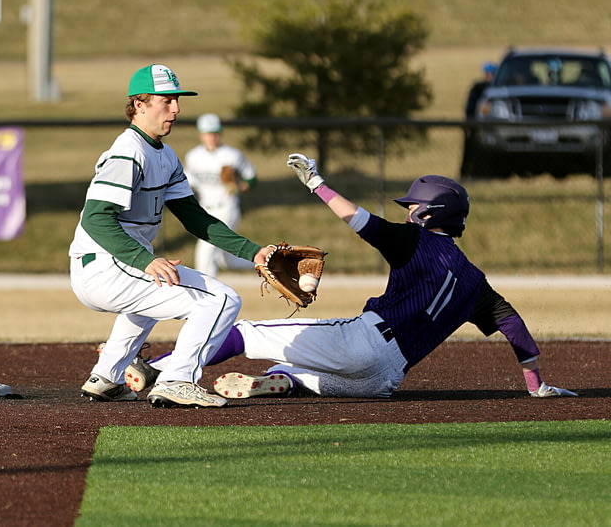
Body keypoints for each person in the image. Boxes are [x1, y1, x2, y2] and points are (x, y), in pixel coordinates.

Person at [134, 154, 578, 400]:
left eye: (411, 206)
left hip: (365, 341)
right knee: (293, 368)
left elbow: (358, 219)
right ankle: (281, 381)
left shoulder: (414, 240)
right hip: (385, 380)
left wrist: (317, 184)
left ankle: (154, 371)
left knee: (240, 333)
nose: (407, 211)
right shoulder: (477, 282)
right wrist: (535, 385)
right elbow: (513, 325)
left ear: (428, 213)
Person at [68, 64, 278, 408]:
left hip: (113, 266)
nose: (176, 109)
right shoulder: (128, 151)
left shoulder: (165, 155)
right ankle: (178, 379)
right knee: (222, 300)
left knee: (154, 297)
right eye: (166, 101)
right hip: (105, 265)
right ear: (140, 105)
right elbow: (95, 220)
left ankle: (106, 377)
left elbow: (194, 218)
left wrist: (252, 251)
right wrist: (146, 260)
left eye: (177, 100)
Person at [184, 113, 258, 277]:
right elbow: (187, 183)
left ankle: (207, 293)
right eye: (207, 133)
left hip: (227, 207)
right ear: (200, 134)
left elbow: (251, 177)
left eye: (214, 133)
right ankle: (267, 263)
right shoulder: (193, 156)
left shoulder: (232, 155)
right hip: (205, 210)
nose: (211, 137)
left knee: (206, 249)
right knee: (227, 260)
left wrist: (240, 184)